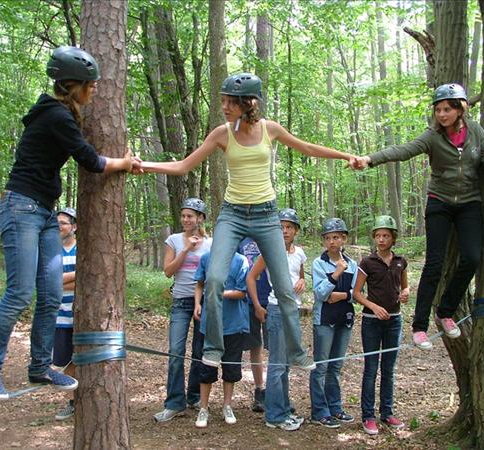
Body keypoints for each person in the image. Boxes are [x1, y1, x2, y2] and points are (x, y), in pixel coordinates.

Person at [139, 72, 362, 371]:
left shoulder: (269, 129)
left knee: (283, 287)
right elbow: (183, 165)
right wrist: (143, 165)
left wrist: (346, 155)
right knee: (215, 279)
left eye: (231, 102)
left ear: (249, 103)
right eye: (223, 101)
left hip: (266, 215)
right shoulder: (221, 133)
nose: (225, 107)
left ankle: (297, 352)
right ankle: (214, 348)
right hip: (232, 214)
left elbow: (307, 148)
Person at [0, 46, 136, 401]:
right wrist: (124, 163)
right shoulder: (56, 117)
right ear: (71, 85)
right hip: (21, 208)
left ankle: (39, 366)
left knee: (50, 295)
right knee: (19, 293)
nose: (94, 90)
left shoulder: (61, 113)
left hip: (45, 211)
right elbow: (91, 161)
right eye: (89, 85)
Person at [359, 83, 484, 349]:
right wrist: (370, 158)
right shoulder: (432, 137)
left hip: (469, 203)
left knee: (471, 257)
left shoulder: (476, 132)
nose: (442, 114)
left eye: (447, 109)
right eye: (438, 110)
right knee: (434, 264)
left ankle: (446, 311)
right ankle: (419, 326)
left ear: (460, 109)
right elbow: (404, 150)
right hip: (440, 203)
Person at [246, 208, 306, 431]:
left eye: (289, 227)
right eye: (281, 227)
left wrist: (302, 283)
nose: (285, 231)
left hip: (293, 312)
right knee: (278, 365)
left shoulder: (299, 253)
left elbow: (299, 276)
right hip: (276, 310)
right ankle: (274, 416)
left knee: (285, 365)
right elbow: (251, 277)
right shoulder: (269, 252)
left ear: (296, 231)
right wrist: (258, 306)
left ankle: (284, 408)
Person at [153, 198, 212, 423]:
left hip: (204, 302)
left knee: (199, 351)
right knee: (175, 352)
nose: (186, 219)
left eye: (191, 216)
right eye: (184, 215)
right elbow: (168, 271)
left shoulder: (211, 243)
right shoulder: (174, 240)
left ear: (200, 218)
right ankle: (174, 402)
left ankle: (194, 396)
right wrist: (186, 249)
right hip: (180, 301)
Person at [352, 215, 409, 435]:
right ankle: (368, 416)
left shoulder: (400, 261)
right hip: (371, 322)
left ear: (393, 238)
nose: (382, 239)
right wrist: (373, 307)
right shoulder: (367, 262)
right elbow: (356, 293)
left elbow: (405, 287)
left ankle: (387, 412)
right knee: (371, 368)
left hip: (394, 321)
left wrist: (405, 294)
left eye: (386, 235)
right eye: (378, 236)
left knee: (388, 369)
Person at [192, 250, 249, 428]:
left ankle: (227, 406)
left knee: (231, 366)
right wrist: (197, 304)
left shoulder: (241, 261)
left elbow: (242, 292)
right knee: (206, 367)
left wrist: (218, 293)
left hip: (233, 323)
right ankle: (203, 408)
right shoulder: (207, 258)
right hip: (209, 323)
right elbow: (200, 284)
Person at [310, 218, 358, 428]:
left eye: (336, 237)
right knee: (321, 367)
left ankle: (335, 407)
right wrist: (336, 273)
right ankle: (319, 411)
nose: (332, 242)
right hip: (324, 321)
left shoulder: (353, 264)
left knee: (336, 367)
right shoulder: (318, 263)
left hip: (344, 319)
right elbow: (320, 294)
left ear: (344, 239)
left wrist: (340, 295)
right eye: (328, 238)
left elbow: (357, 294)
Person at [238, 237, 271, 412]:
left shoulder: (270, 236)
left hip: (272, 299)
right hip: (249, 300)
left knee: (275, 348)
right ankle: (259, 390)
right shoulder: (241, 241)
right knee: (255, 347)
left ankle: (276, 392)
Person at [52, 207, 79, 420]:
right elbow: (49, 280)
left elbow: (88, 278)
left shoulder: (84, 249)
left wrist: (63, 279)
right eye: (57, 223)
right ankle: (72, 401)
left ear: (74, 227)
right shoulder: (50, 250)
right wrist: (75, 276)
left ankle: (81, 399)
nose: (59, 227)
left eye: (63, 223)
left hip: (81, 315)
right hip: (59, 316)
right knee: (63, 361)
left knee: (82, 358)